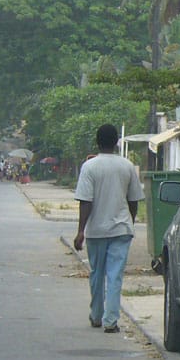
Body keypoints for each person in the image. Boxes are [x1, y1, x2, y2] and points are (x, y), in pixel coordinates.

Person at [73, 124, 144, 333]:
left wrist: (80, 231)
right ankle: (111, 321)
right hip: (121, 229)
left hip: (96, 230)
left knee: (97, 273)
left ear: (97, 141)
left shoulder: (90, 167)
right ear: (116, 143)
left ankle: (96, 315)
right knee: (115, 275)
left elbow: (85, 201)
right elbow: (133, 200)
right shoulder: (127, 166)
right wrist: (129, 221)